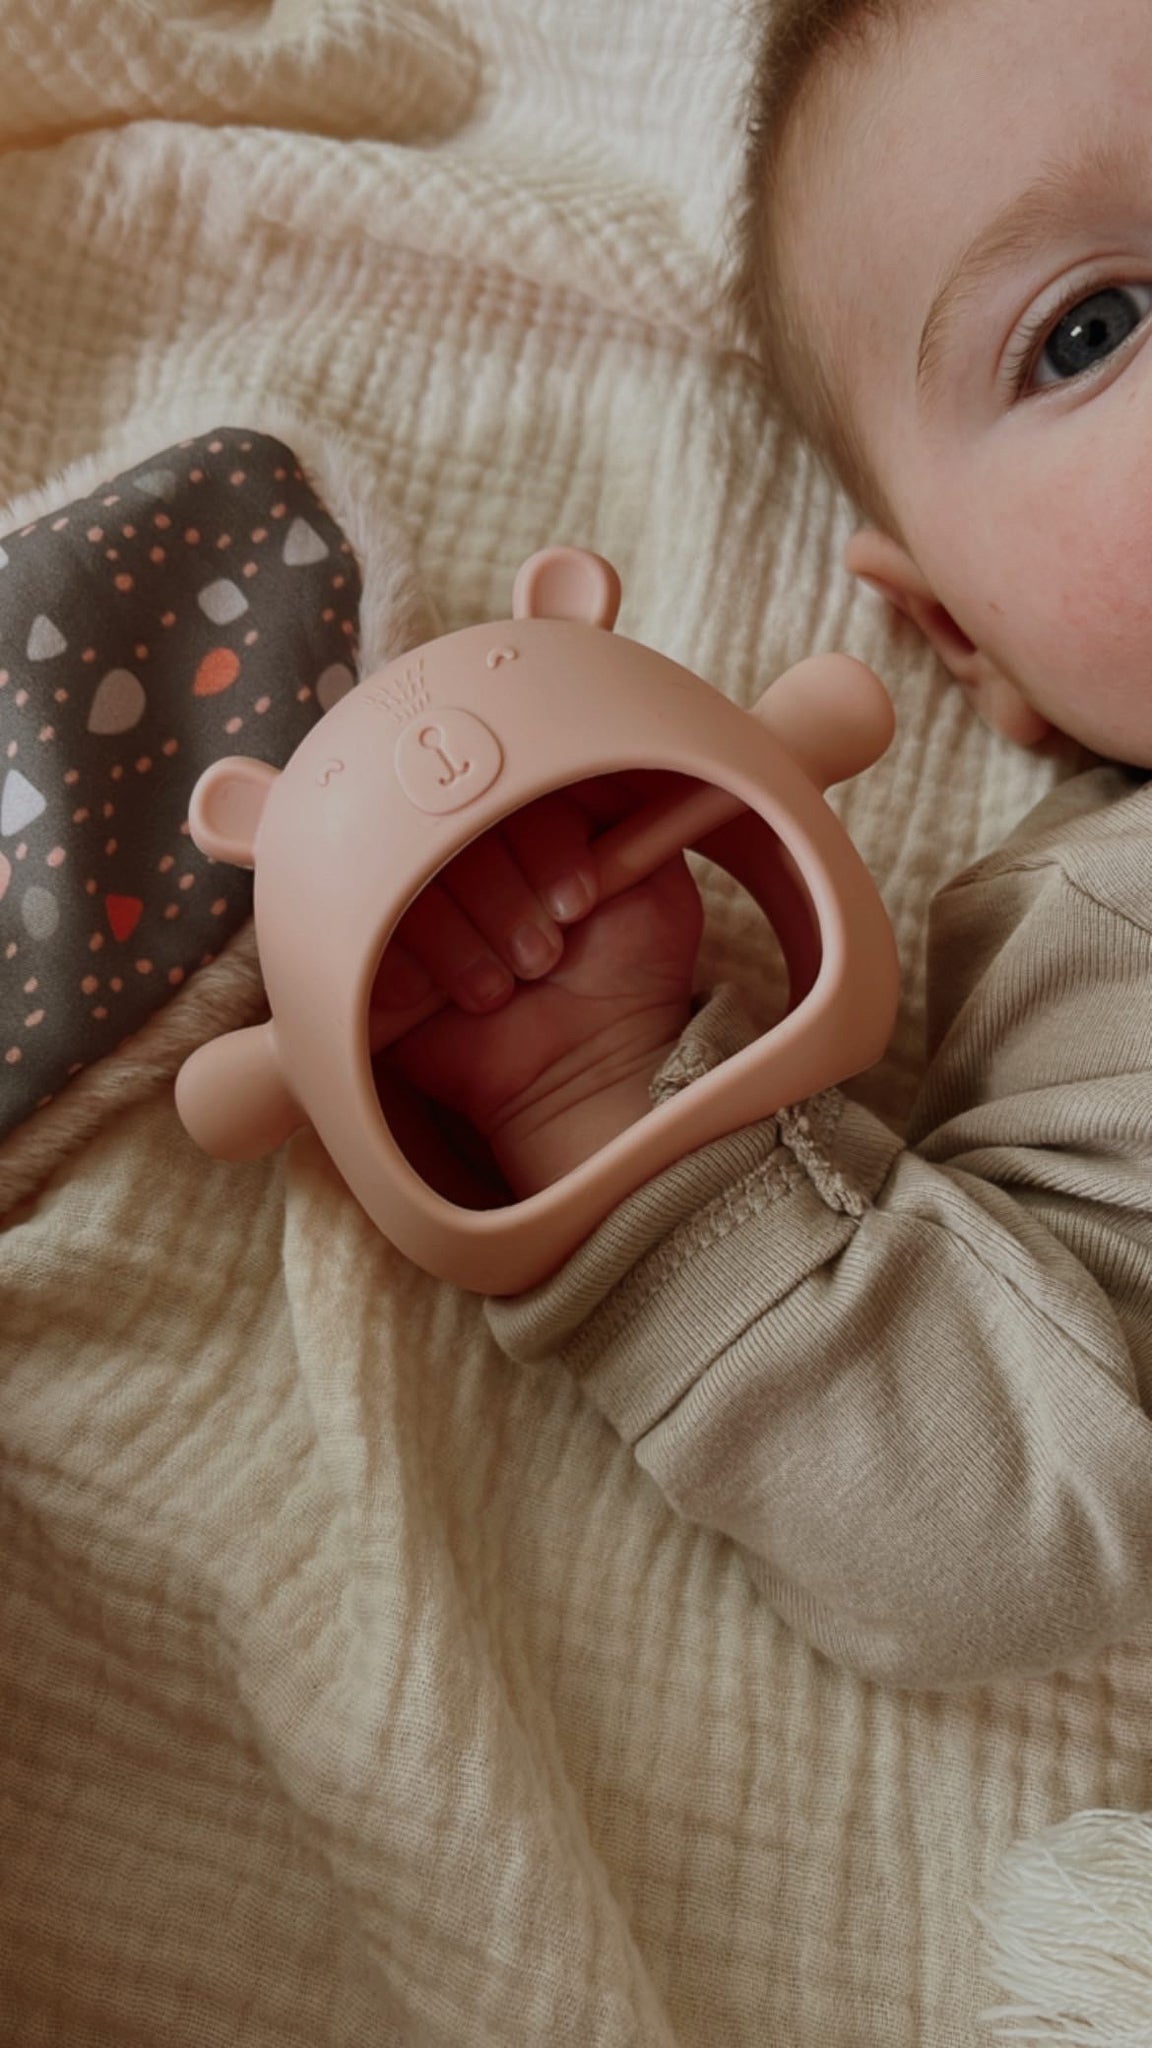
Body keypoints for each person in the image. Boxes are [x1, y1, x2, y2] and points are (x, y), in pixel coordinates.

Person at [373, 0, 1152, 1689]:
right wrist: (604, 1111)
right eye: (1091, 330)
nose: (1113, 334)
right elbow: (1001, 1534)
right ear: (965, 634)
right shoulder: (1119, 932)